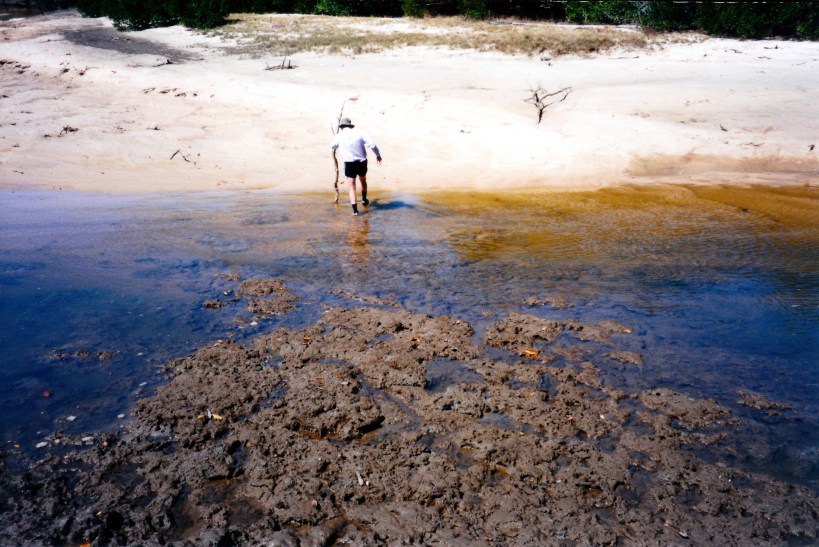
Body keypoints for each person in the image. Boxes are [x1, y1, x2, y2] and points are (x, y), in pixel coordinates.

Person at [331, 117, 382, 216]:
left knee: (352, 187)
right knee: (363, 180)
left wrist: (337, 142)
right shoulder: (360, 133)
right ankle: (363, 199)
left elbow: (332, 146)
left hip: (349, 163)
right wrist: (378, 155)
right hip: (362, 161)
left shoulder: (339, 136)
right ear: (350, 126)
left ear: (341, 127)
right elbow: (372, 144)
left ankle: (355, 211)